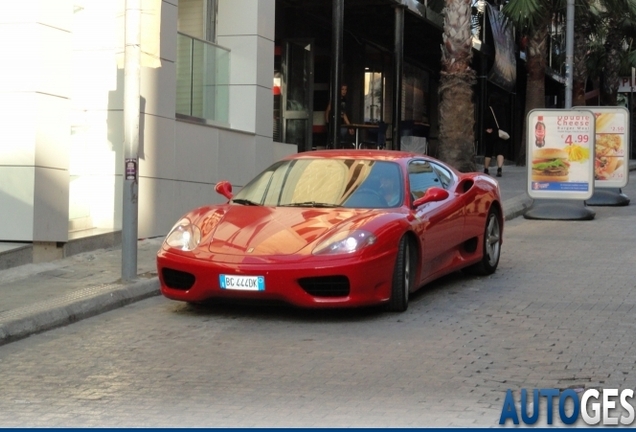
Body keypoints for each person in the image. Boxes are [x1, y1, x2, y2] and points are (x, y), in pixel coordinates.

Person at [325, 84, 354, 148]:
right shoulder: (335, 99)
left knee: (343, 135)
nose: (344, 91)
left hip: (341, 124)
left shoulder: (344, 100)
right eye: (342, 89)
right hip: (334, 124)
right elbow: (328, 111)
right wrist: (327, 123)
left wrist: (349, 126)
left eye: (345, 89)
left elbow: (344, 114)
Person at [483, 99, 505, 177]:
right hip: (500, 133)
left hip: (490, 133)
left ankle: (486, 169)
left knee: (488, 151)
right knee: (500, 151)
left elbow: (485, 120)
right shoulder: (503, 109)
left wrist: (486, 128)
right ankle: (499, 169)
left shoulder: (489, 109)